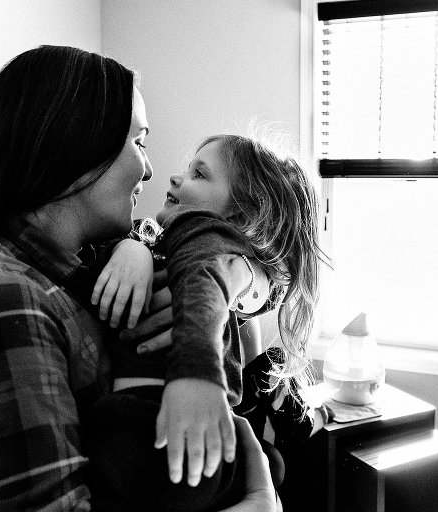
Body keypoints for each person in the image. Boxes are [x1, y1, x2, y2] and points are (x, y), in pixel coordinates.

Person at [0, 45, 276, 511]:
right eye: (140, 142)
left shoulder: (84, 266)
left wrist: (238, 279)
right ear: (77, 145)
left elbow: (256, 273)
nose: (150, 170)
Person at [86, 134, 329, 511]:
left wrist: (196, 376)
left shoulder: (203, 234)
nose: (175, 178)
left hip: (155, 423)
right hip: (172, 435)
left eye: (199, 174)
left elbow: (203, 282)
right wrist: (130, 248)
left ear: (238, 216)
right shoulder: (159, 239)